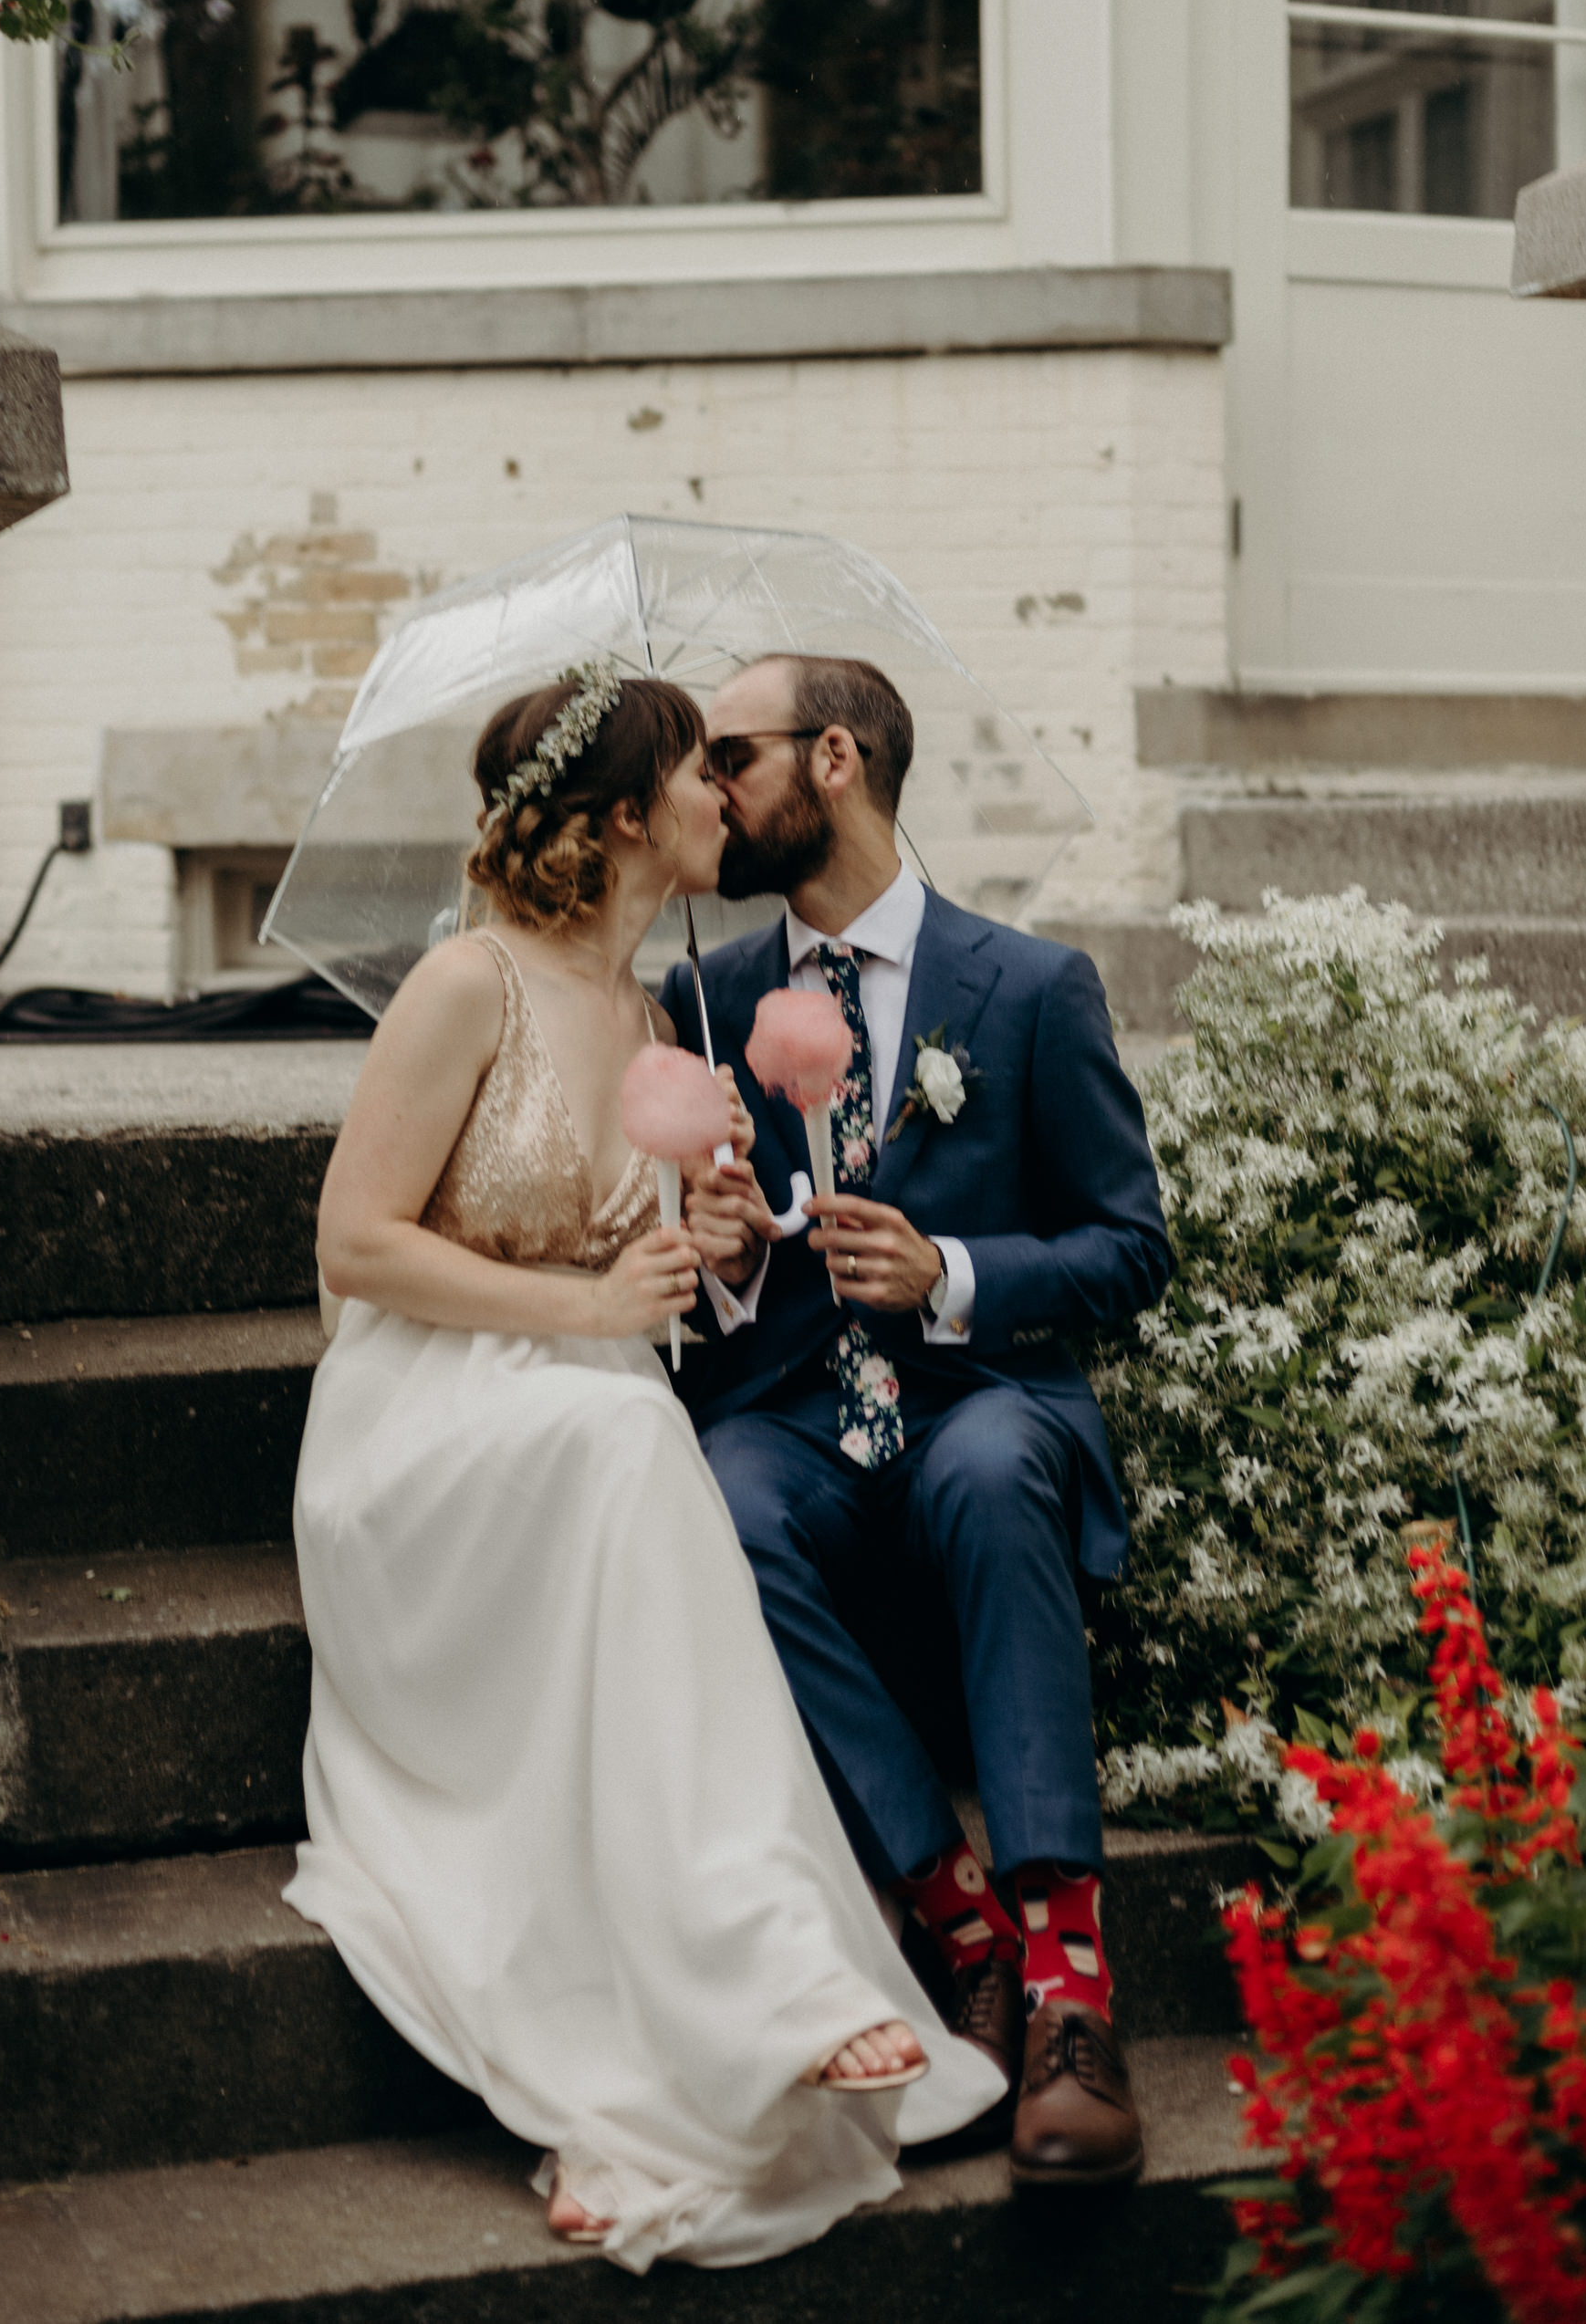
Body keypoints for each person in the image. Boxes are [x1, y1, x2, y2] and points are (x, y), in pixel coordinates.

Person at [284, 665, 1002, 2274]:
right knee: (630, 1440)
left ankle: (637, 2082)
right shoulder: (467, 985)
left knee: (630, 1439)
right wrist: (590, 1306)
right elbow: (351, 1244)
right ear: (622, 818)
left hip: (590, 1423)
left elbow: (657, 1289)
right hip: (428, 1429)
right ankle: (766, 1957)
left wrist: (709, 1242)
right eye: (697, 775)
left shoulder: (662, 1018)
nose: (722, 802)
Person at [660, 654, 1171, 2187]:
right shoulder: (702, 1001)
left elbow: (1130, 1244)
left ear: (832, 759)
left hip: (976, 1399)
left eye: (731, 754)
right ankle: (959, 1926)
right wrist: (732, 1260)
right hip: (793, 1421)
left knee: (1003, 1463)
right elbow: (691, 1297)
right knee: (714, 1502)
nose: (708, 789)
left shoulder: (1028, 986)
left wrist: (950, 1269)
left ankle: (1071, 1982)